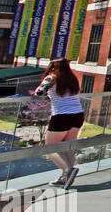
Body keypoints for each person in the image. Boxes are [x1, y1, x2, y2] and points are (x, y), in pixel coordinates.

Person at [33, 58, 85, 188]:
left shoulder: (51, 78)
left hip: (62, 116)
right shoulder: (72, 79)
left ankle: (68, 170)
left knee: (49, 148)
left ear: (53, 67)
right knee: (68, 147)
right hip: (78, 115)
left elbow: (39, 92)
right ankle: (66, 178)